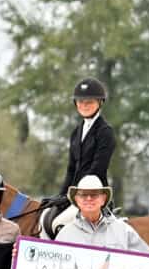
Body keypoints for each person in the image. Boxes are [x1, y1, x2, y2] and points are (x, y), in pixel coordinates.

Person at [46, 77, 116, 236]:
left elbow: (97, 170)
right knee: (45, 218)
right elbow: (71, 169)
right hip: (76, 195)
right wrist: (61, 195)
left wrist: (76, 194)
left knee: (59, 224)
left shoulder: (105, 132)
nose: (84, 105)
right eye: (81, 102)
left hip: (94, 195)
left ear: (100, 103)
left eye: (89, 102)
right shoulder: (76, 132)